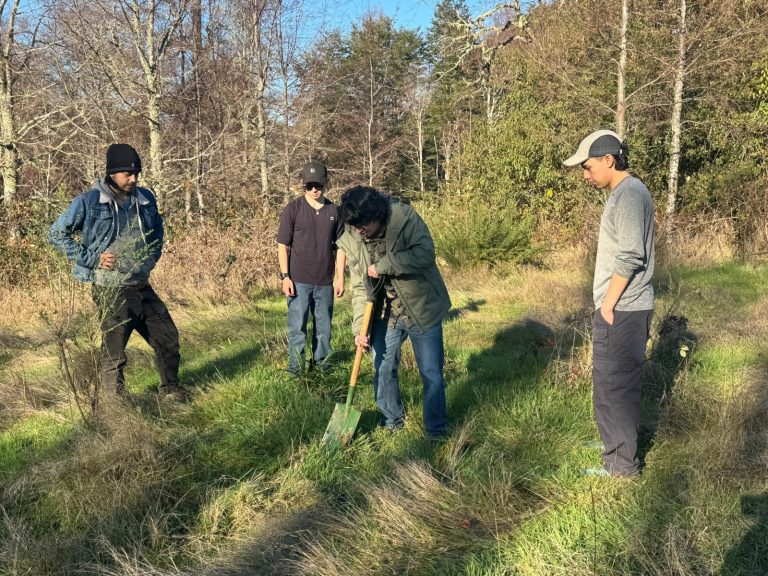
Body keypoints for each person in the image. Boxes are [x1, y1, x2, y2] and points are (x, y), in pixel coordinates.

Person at [49, 143, 185, 403]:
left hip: (141, 284)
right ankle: (113, 404)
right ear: (112, 173)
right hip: (110, 287)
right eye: (127, 174)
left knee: (167, 338)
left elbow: (157, 231)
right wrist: (91, 259)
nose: (133, 179)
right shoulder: (88, 202)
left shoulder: (145, 199)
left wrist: (150, 259)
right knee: (115, 350)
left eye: (136, 173)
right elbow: (56, 234)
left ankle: (171, 391)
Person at [563, 129, 655, 477]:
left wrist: (608, 304)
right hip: (622, 307)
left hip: (623, 308)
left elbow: (631, 255)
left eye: (587, 167)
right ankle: (613, 442)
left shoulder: (630, 195)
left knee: (616, 385)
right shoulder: (624, 194)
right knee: (608, 383)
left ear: (608, 160)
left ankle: (620, 465)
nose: (585, 175)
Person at [337, 186, 451, 438]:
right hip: (385, 313)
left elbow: (425, 254)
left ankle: (436, 431)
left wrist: (385, 265)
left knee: (431, 372)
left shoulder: (404, 218)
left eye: (362, 224)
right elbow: (358, 285)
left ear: (376, 214)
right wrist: (359, 328)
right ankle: (392, 421)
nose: (358, 230)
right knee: (383, 366)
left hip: (421, 306)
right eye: (354, 225)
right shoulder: (355, 235)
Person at [277, 160, 345, 375]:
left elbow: (341, 247)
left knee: (323, 329)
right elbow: (282, 245)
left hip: (325, 281)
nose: (314, 189)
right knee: (297, 328)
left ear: (326, 184)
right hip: (298, 281)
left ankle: (322, 370)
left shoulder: (335, 211)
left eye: (319, 185)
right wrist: (285, 276)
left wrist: (340, 278)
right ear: (303, 186)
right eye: (309, 186)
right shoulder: (293, 209)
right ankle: (296, 371)